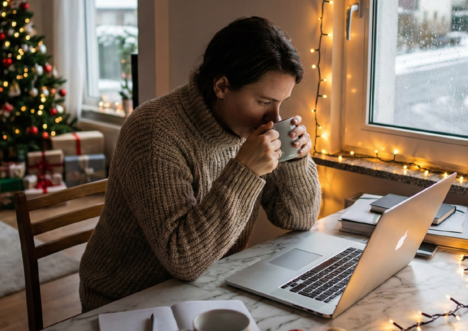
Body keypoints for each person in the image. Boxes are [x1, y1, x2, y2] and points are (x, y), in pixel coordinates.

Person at [79, 17, 322, 311]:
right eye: (263, 101)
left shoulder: (246, 128)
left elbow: (298, 219)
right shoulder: (154, 130)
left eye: (281, 103)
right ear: (221, 86)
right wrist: (245, 171)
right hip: (126, 302)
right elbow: (183, 259)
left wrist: (296, 159)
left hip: (205, 290)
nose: (273, 118)